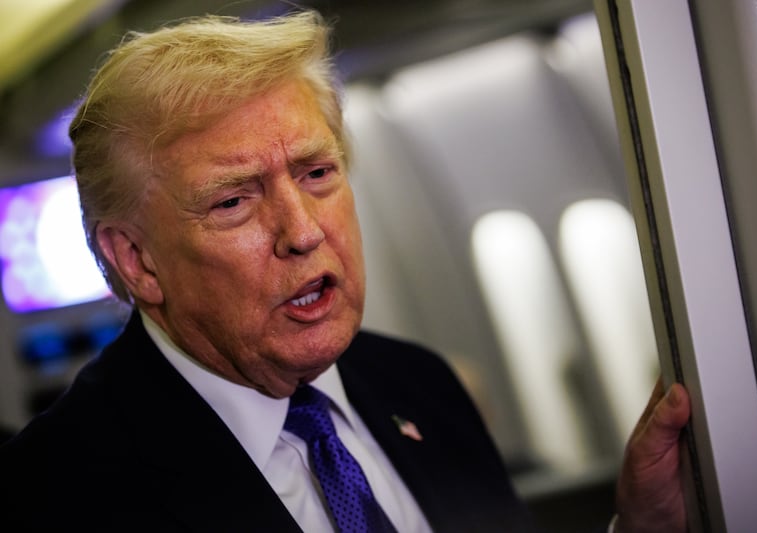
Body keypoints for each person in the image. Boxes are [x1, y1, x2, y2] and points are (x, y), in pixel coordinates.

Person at [0, 10, 690, 532]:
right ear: (137, 261)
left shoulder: (421, 384)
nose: (303, 231)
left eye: (318, 171)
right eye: (235, 200)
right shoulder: (57, 489)